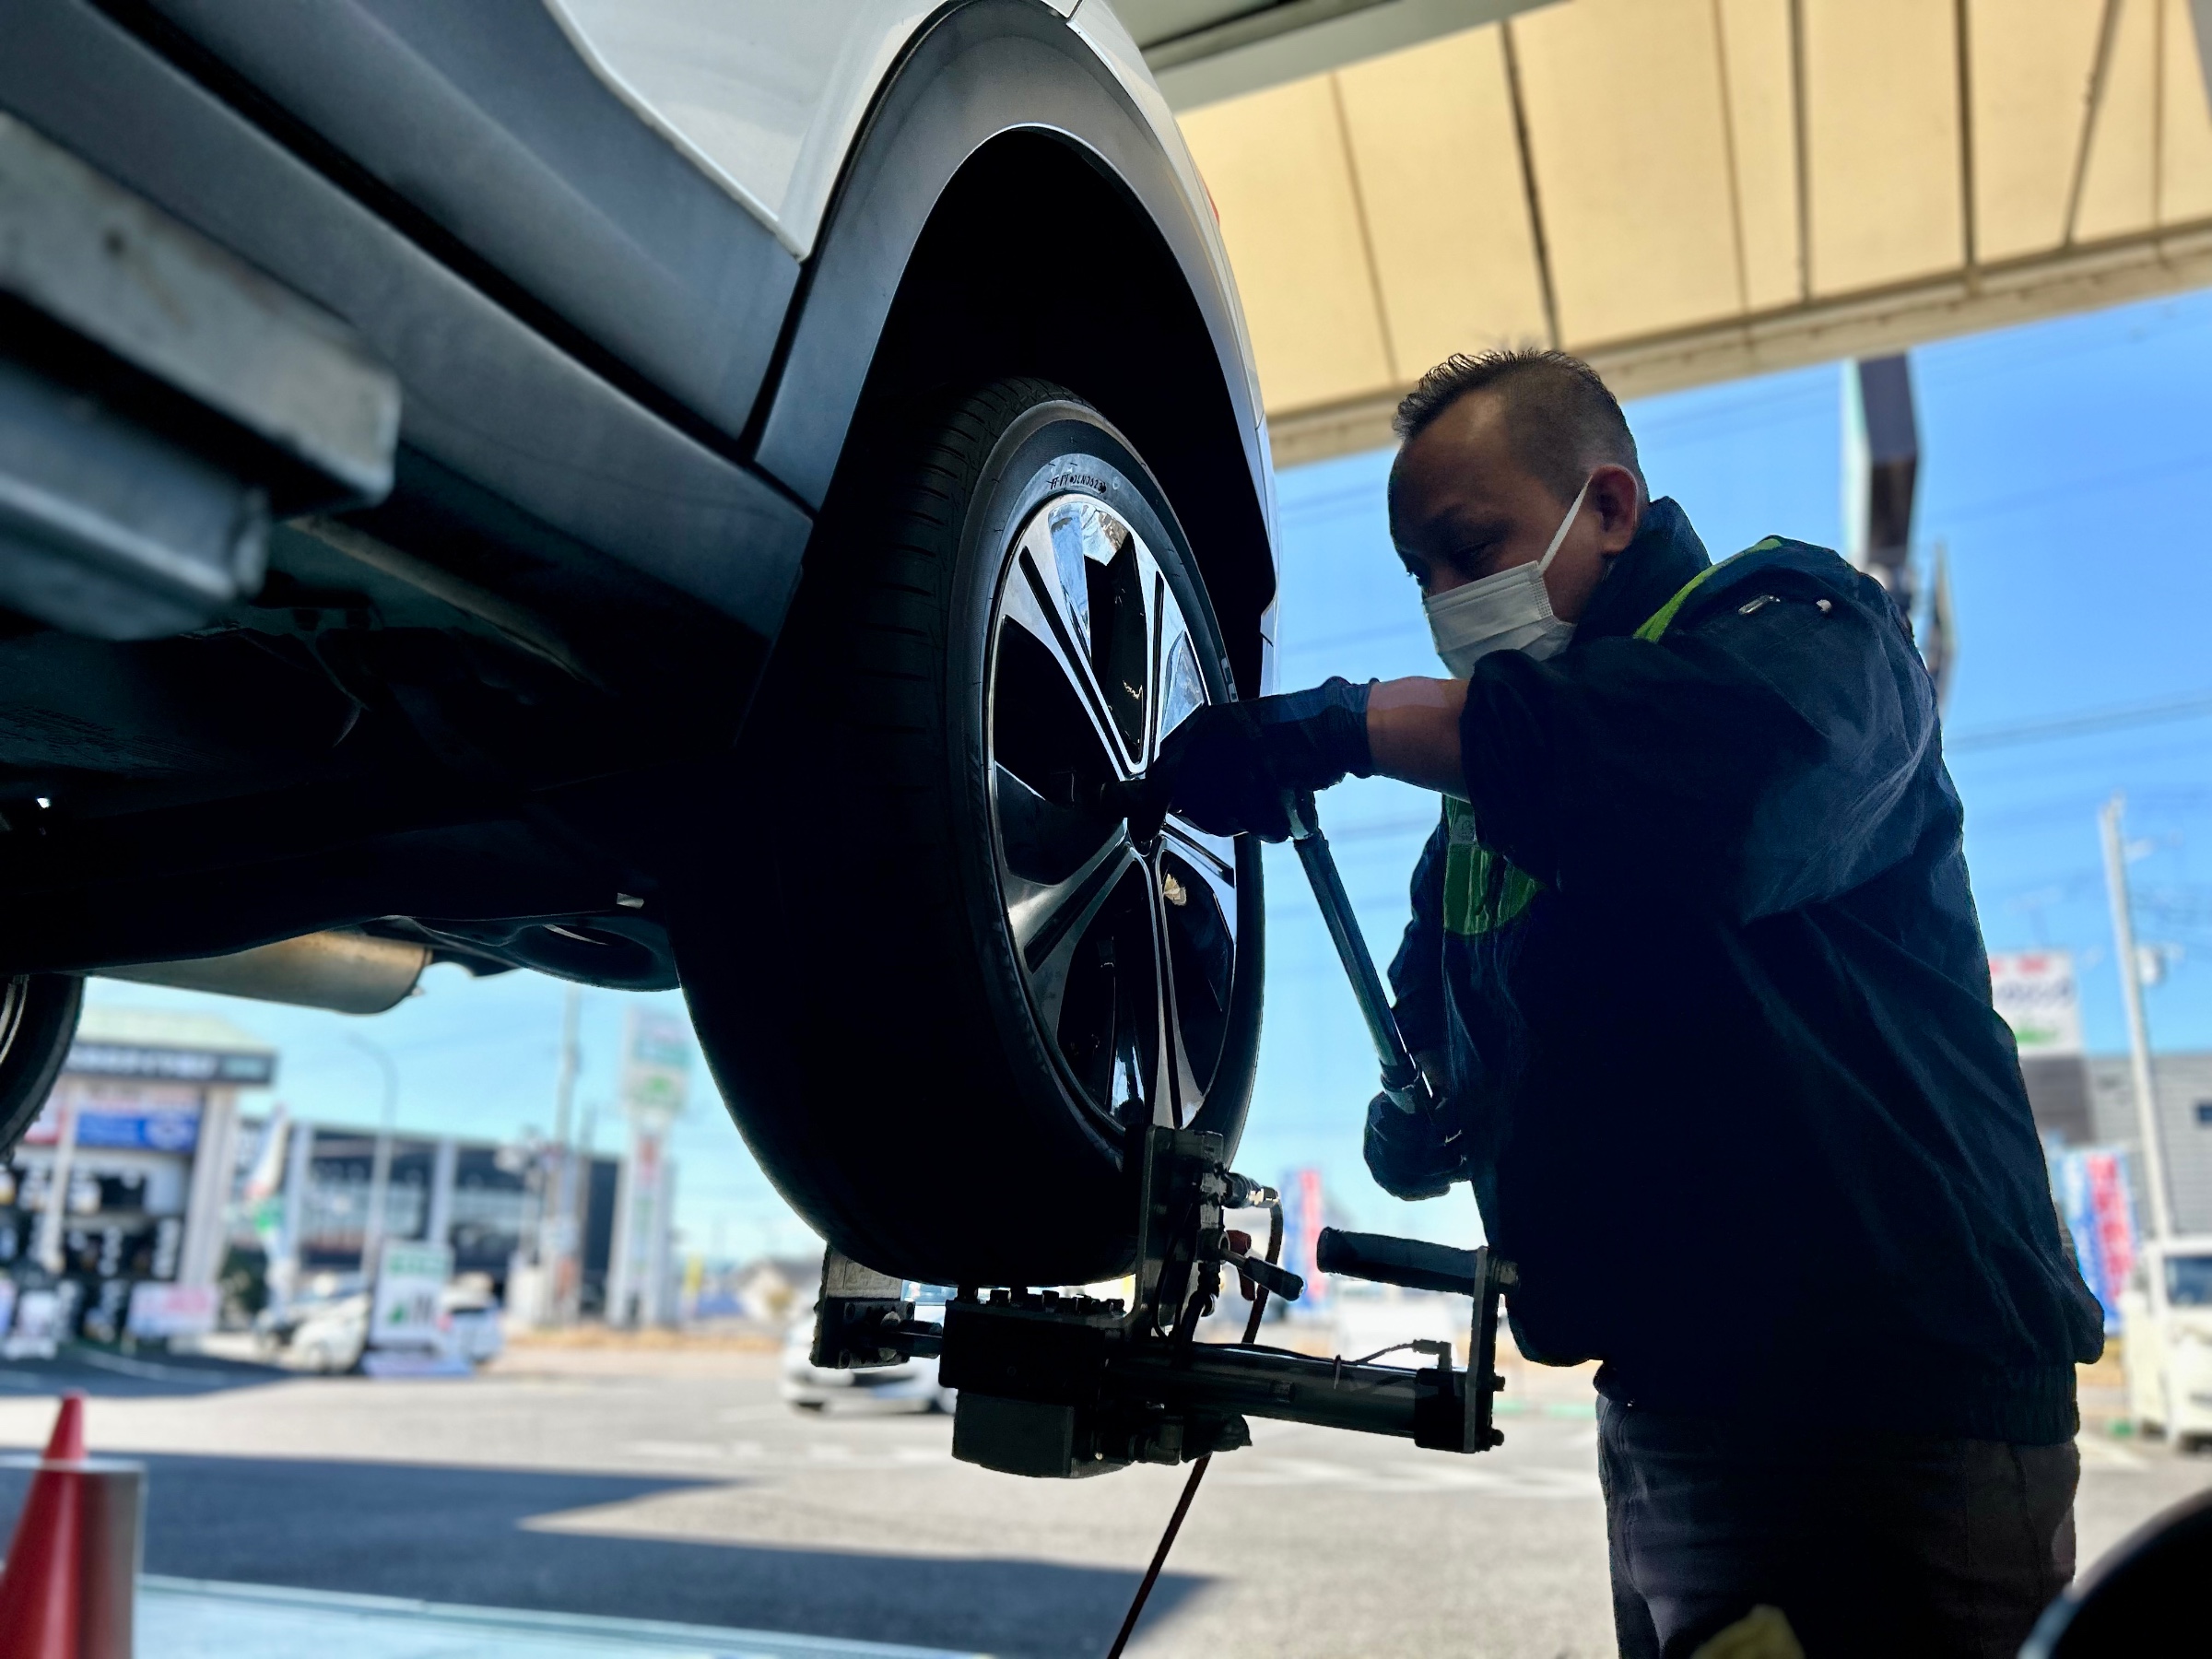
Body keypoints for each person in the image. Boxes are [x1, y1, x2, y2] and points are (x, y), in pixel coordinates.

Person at [1150, 349, 2104, 1657]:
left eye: (1470, 549)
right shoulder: (1476, 824)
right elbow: (1458, 1042)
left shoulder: (1801, 631)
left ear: (1606, 507)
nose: (1445, 599)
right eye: (1419, 572)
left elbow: (1718, 797)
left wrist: (1354, 725)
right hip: (1670, 1405)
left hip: (1892, 1406)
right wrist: (1421, 1116)